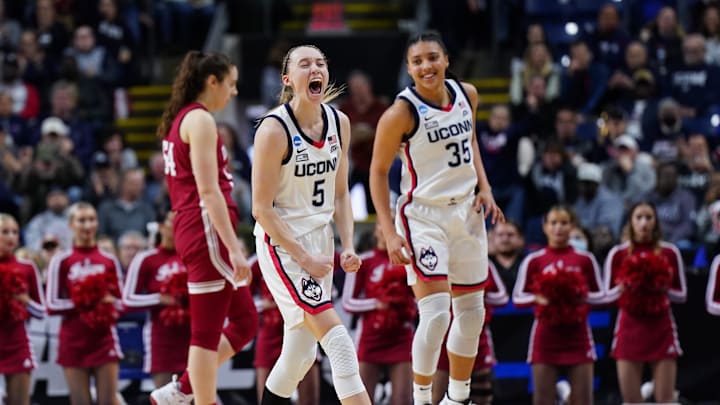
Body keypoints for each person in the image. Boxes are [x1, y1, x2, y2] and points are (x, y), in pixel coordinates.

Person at [369, 31, 504, 405]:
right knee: (436, 314)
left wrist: (485, 187)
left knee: (473, 314)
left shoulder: (468, 94)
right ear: (409, 69)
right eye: (417, 61)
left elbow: (471, 141)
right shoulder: (400, 112)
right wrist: (387, 231)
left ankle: (457, 398)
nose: (426, 66)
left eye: (432, 58)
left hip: (467, 213)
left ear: (446, 60)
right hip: (423, 217)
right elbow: (378, 172)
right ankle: (422, 397)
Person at [251, 44, 371, 405]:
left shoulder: (340, 122)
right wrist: (303, 258)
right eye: (304, 64)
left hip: (320, 242)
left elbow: (340, 195)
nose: (314, 68)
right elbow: (261, 208)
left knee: (301, 354)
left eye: (320, 63)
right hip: (283, 244)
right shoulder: (274, 130)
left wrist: (347, 244)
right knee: (338, 342)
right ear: (288, 79)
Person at [149, 51, 258, 405]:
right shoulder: (200, 121)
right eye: (231, 83)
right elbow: (208, 191)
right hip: (206, 229)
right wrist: (236, 248)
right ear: (212, 82)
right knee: (206, 334)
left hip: (196, 227)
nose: (234, 91)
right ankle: (200, 399)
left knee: (244, 322)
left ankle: (182, 389)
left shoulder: (185, 118)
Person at [512, 205, 605, 405]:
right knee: (543, 399)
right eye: (553, 223)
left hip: (578, 335)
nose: (558, 228)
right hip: (545, 337)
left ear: (572, 227)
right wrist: (538, 298)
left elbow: (602, 295)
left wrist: (580, 295)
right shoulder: (534, 261)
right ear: (545, 227)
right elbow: (518, 298)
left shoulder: (585, 260)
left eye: (564, 223)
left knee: (583, 400)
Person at [604, 201, 686, 403]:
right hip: (629, 329)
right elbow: (606, 295)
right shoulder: (619, 253)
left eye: (648, 217)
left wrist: (661, 288)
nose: (643, 223)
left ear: (656, 222)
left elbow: (682, 294)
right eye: (638, 217)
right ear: (630, 222)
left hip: (661, 328)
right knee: (632, 401)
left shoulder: (669, 252)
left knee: (666, 400)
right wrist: (626, 287)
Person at [45, 202, 124, 405]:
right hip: (73, 341)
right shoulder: (61, 260)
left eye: (91, 219)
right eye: (81, 220)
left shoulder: (109, 260)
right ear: (71, 224)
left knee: (108, 402)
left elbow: (121, 302)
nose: (87, 225)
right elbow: (51, 304)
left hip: (104, 338)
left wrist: (107, 303)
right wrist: (85, 301)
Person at [342, 221, 416, 404]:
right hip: (371, 337)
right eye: (383, 224)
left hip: (401, 337)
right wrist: (377, 303)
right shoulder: (364, 261)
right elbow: (347, 302)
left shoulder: (409, 260)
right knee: (363, 399)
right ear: (375, 230)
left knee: (403, 399)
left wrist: (405, 305)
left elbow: (421, 300)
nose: (387, 228)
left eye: (392, 223)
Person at [122, 211, 191, 388]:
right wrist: (160, 299)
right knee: (164, 396)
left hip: (191, 336)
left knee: (195, 397)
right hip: (161, 337)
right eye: (172, 221)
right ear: (161, 227)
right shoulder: (145, 259)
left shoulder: (193, 257)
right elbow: (127, 300)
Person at [432, 262, 508, 405]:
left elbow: (502, 297)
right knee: (437, 397)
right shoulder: (436, 261)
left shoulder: (483, 262)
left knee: (482, 398)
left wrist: (476, 296)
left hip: (477, 338)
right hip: (442, 339)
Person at [0, 213, 45, 405]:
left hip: (17, 344)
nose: (11, 237)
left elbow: (41, 312)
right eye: (4, 232)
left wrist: (24, 300)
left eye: (15, 232)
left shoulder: (27, 267)